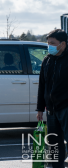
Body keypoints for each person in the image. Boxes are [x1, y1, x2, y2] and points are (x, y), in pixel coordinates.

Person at [36, 29, 68, 168]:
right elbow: (42, 85)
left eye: (52, 43)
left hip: (66, 107)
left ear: (63, 44)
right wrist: (39, 108)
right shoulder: (47, 60)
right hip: (51, 110)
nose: (49, 46)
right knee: (54, 144)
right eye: (48, 43)